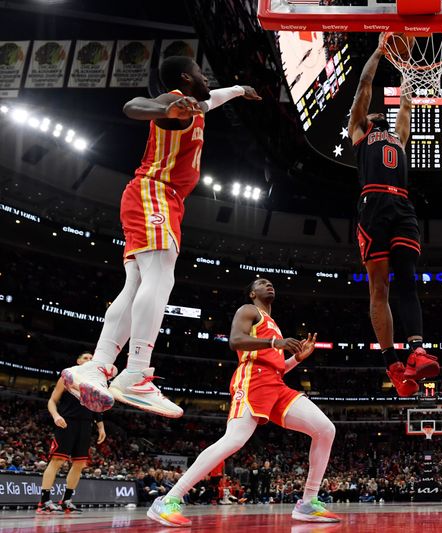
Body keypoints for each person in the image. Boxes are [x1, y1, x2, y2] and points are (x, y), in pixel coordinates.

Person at [61, 56, 262, 418]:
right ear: (186, 77)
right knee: (160, 276)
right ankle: (136, 372)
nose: (206, 78)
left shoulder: (195, 106)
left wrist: (238, 90)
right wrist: (167, 108)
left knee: (137, 284)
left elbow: (212, 99)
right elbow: (134, 106)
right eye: (201, 73)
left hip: (154, 196)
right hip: (155, 193)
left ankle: (99, 365)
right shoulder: (174, 102)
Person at [147, 278, 340, 526]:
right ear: (252, 293)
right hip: (252, 380)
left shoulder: (275, 326)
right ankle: (169, 499)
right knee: (234, 440)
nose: (269, 285)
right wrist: (275, 343)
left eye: (271, 283)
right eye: (262, 283)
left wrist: (297, 359)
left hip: (276, 385)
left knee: (325, 429)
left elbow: (278, 370)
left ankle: (308, 503)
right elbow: (235, 341)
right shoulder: (248, 310)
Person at [348, 35, 439, 397]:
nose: (376, 113)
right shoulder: (359, 131)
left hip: (402, 206)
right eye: (373, 112)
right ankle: (392, 363)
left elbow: (405, 103)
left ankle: (416, 350)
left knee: (408, 279)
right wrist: (380, 50)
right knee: (379, 287)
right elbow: (365, 85)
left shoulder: (399, 137)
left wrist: (406, 67)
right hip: (372, 205)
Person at [37, 352, 106, 514]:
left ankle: (66, 500)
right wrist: (56, 416)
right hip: (67, 422)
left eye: (91, 359)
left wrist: (101, 427)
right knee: (57, 461)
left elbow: (96, 407)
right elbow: (52, 401)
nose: (88, 360)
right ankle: (44, 501)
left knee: (79, 464)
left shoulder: (94, 382)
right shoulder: (68, 376)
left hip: (86, 425)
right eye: (85, 358)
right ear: (78, 361)